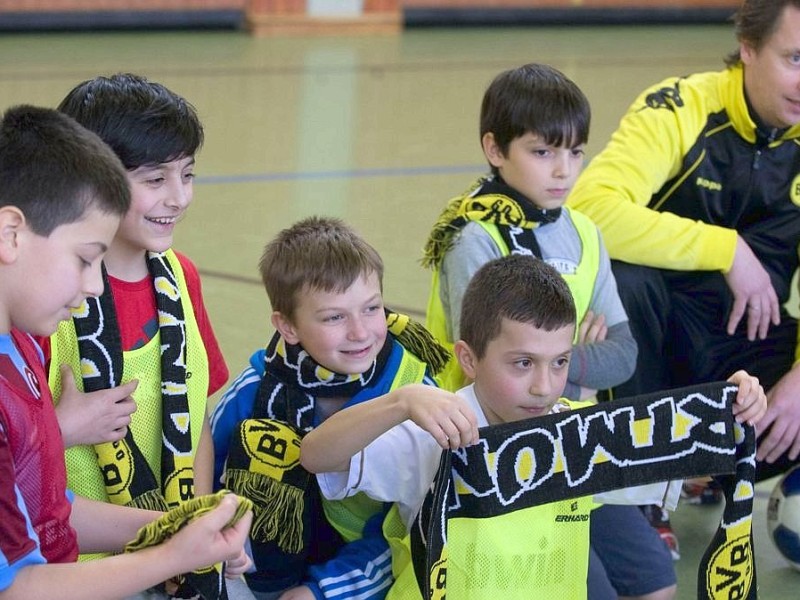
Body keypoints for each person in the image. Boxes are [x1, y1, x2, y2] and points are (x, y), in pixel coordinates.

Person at [299, 254, 767, 599]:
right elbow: (317, 455)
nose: (544, 386)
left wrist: (733, 409)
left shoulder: (578, 436)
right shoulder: (438, 430)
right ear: (469, 358)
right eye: (522, 363)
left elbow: (687, 456)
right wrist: (400, 402)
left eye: (560, 361)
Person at [420, 63, 675, 597]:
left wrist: (551, 361)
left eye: (575, 152)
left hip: (572, 436)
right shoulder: (473, 238)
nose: (563, 171)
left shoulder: (585, 231)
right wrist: (575, 354)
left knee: (656, 579)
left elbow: (624, 354)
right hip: (496, 449)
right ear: (495, 149)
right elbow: (494, 365)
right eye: (542, 152)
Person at [566, 0, 800, 552]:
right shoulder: (680, 108)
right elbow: (590, 209)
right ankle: (642, 488)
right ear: (748, 50)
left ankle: (704, 467)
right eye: (794, 58)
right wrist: (726, 249)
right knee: (624, 281)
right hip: (657, 350)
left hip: (741, 354)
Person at [0, 104, 252, 599]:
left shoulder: (20, 345)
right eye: (85, 259)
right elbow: (19, 585)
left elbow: (49, 511)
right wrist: (170, 555)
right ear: (11, 233)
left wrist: (174, 527)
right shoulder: (36, 337)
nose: (96, 285)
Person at [209, 216, 451, 600]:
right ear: (287, 327)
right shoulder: (257, 390)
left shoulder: (413, 390)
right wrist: (219, 540)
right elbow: (204, 479)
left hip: (371, 578)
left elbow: (417, 523)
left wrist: (323, 590)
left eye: (371, 309)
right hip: (262, 576)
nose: (360, 332)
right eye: (335, 317)